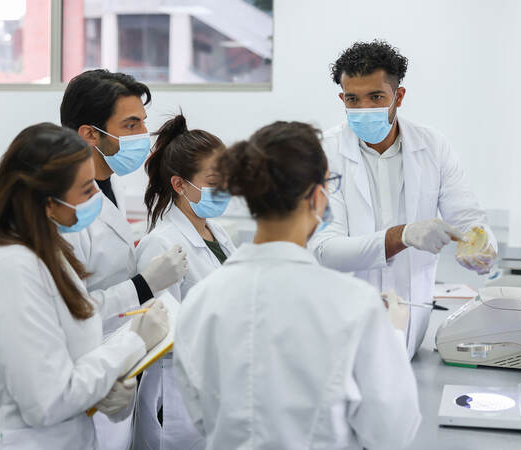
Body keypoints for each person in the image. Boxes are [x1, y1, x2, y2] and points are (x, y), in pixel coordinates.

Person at [173, 121, 421, 449]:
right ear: (318, 196)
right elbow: (390, 431)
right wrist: (390, 335)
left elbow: (201, 416)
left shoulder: (201, 299)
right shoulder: (353, 304)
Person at [0, 123, 169, 450]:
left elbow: (70, 350)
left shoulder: (50, 253)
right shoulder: (9, 269)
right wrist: (132, 344)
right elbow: (48, 401)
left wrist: (107, 386)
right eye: (85, 190)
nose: (97, 196)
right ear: (47, 203)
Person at [308, 40, 497, 358]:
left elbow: (466, 216)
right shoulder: (322, 152)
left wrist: (483, 244)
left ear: (399, 95)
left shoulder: (432, 146)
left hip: (411, 319)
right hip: (340, 325)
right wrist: (404, 235)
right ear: (342, 98)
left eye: (376, 97)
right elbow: (325, 250)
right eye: (353, 99)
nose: (364, 109)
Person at [60, 69, 188, 449]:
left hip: (116, 368)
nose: (141, 137)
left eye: (142, 124)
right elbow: (68, 309)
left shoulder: (108, 181)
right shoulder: (65, 207)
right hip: (78, 375)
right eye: (130, 125)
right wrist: (143, 285)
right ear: (90, 134)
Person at [132, 113, 236, 449]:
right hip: (177, 396)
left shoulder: (217, 233)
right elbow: (161, 332)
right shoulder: (161, 244)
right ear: (180, 184)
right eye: (212, 180)